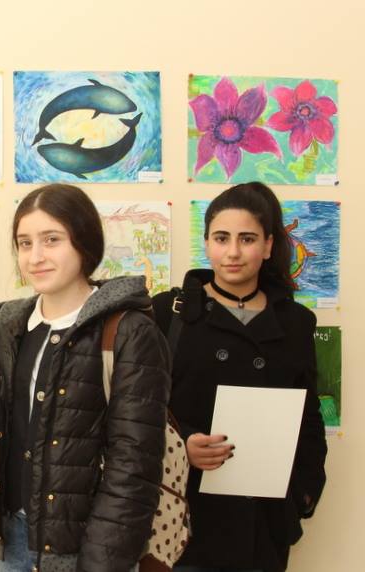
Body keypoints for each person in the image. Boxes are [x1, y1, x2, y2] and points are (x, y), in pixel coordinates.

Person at [0, 184, 171, 572]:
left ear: (84, 242)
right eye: (24, 243)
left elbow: (133, 467)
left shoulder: (129, 331)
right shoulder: (11, 326)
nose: (35, 257)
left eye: (52, 240)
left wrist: (101, 563)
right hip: (12, 540)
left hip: (88, 551)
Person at [151, 182, 327, 572]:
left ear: (268, 246)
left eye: (247, 239)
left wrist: (304, 494)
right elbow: (138, 410)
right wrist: (183, 445)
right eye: (221, 238)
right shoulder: (167, 313)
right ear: (207, 243)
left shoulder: (296, 322)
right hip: (183, 522)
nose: (232, 252)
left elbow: (308, 417)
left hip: (263, 524)